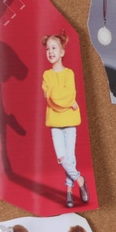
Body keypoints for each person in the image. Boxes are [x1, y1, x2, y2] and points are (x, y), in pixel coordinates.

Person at [41, 30, 88, 208]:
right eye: (47, 49)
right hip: (55, 123)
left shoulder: (69, 74)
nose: (50, 52)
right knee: (62, 158)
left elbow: (68, 94)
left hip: (69, 123)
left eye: (54, 48)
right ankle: (81, 181)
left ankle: (69, 192)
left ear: (62, 52)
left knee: (71, 157)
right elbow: (52, 98)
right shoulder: (46, 75)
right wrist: (67, 101)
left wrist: (63, 97)